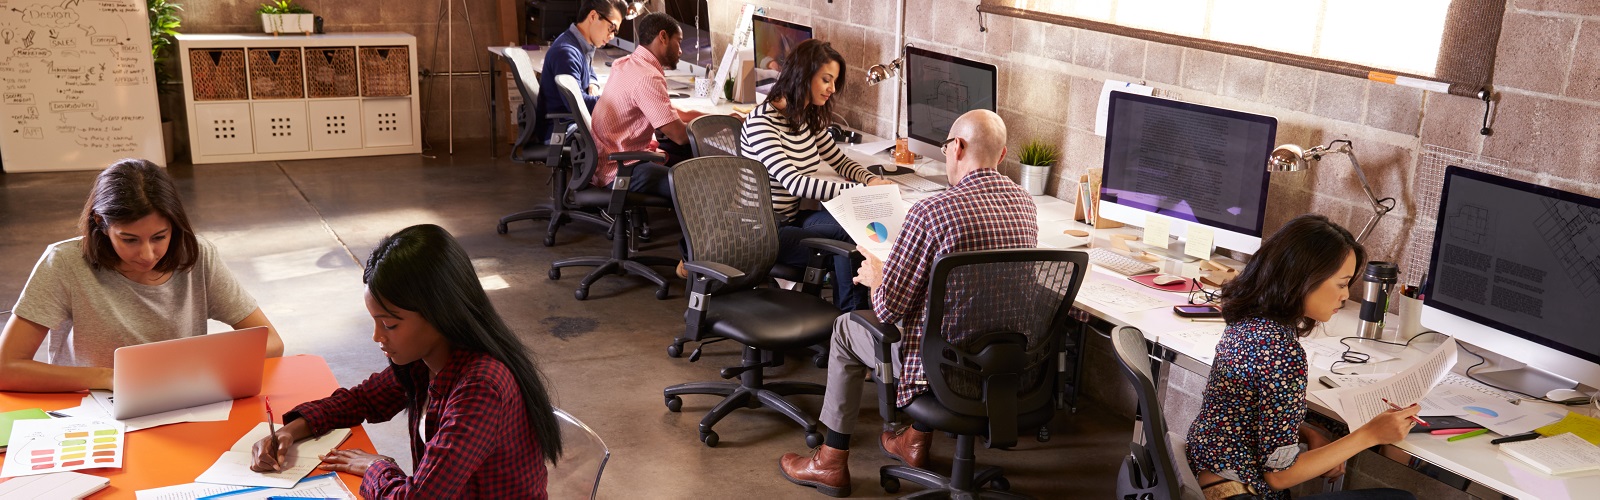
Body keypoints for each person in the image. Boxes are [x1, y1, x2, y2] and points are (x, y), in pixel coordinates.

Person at [777, 109, 1038, 497]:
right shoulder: (1025, 206)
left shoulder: (931, 212)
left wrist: (878, 277)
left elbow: (888, 310)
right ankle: (915, 440)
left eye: (948, 146)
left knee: (847, 329)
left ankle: (830, 461)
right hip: (1002, 368)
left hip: (941, 369)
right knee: (956, 317)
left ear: (958, 148)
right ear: (1001, 158)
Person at [249, 224, 563, 499]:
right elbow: (361, 401)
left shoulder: (480, 388)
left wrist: (376, 467)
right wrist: (292, 430)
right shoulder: (425, 360)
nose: (377, 337)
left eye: (390, 325)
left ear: (439, 312)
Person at [0, 159, 283, 393]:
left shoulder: (197, 255)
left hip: (178, 397)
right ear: (101, 223)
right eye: (130, 240)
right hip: (92, 405)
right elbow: (6, 369)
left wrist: (204, 366)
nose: (147, 254)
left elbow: (271, 343)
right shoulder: (64, 263)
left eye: (159, 237)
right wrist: (108, 378)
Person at [1186, 214, 1417, 500]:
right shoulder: (1283, 354)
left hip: (1207, 475)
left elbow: (1246, 415)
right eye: (1342, 284)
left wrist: (1305, 432)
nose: (1345, 296)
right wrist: (1370, 435)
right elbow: (1280, 476)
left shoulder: (1248, 322)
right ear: (1303, 279)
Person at [740, 39, 893, 312]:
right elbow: (793, 182)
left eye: (834, 81)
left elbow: (839, 160)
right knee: (848, 236)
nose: (832, 89)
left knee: (856, 224)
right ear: (803, 75)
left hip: (790, 219)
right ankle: (852, 319)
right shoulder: (761, 123)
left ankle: (849, 319)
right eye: (826, 80)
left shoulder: (806, 117)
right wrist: (858, 192)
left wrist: (869, 180)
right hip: (761, 230)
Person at [589, 12, 738, 198]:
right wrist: (727, 124)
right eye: (679, 42)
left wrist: (719, 117)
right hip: (620, 171)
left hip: (605, 162)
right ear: (663, 37)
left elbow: (671, 112)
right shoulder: (648, 76)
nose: (681, 51)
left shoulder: (626, 64)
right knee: (707, 186)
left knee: (684, 156)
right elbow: (679, 135)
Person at [530, 0, 627, 143]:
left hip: (571, 121)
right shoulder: (567, 52)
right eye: (611, 28)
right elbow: (578, 104)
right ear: (593, 16)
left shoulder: (580, 43)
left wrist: (592, 83)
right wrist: (621, 103)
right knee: (631, 130)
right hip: (563, 130)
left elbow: (589, 70)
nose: (612, 35)